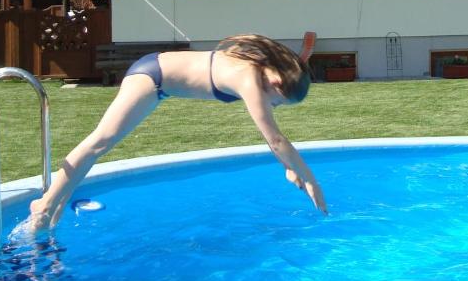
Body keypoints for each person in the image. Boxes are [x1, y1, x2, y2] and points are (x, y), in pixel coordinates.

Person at [28, 33, 327, 230]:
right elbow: (275, 138)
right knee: (100, 141)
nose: (272, 105)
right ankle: (44, 205)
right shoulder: (248, 79)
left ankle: (58, 202)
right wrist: (311, 181)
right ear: (276, 84)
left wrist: (290, 168)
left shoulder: (262, 67)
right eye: (278, 102)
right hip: (152, 78)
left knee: (101, 144)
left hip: (160, 77)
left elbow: (273, 135)